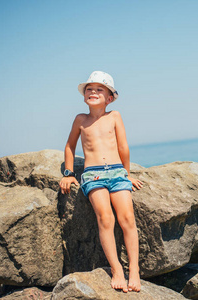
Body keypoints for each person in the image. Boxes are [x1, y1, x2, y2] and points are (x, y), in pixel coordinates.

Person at [59, 71, 143, 292]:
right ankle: (116, 269)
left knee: (127, 217)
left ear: (109, 98)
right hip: (93, 174)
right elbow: (70, 146)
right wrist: (68, 173)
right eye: (89, 89)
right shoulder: (81, 119)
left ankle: (134, 269)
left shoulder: (114, 116)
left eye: (99, 89)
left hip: (116, 172)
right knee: (105, 217)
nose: (93, 92)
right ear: (84, 95)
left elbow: (123, 147)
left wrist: (127, 173)